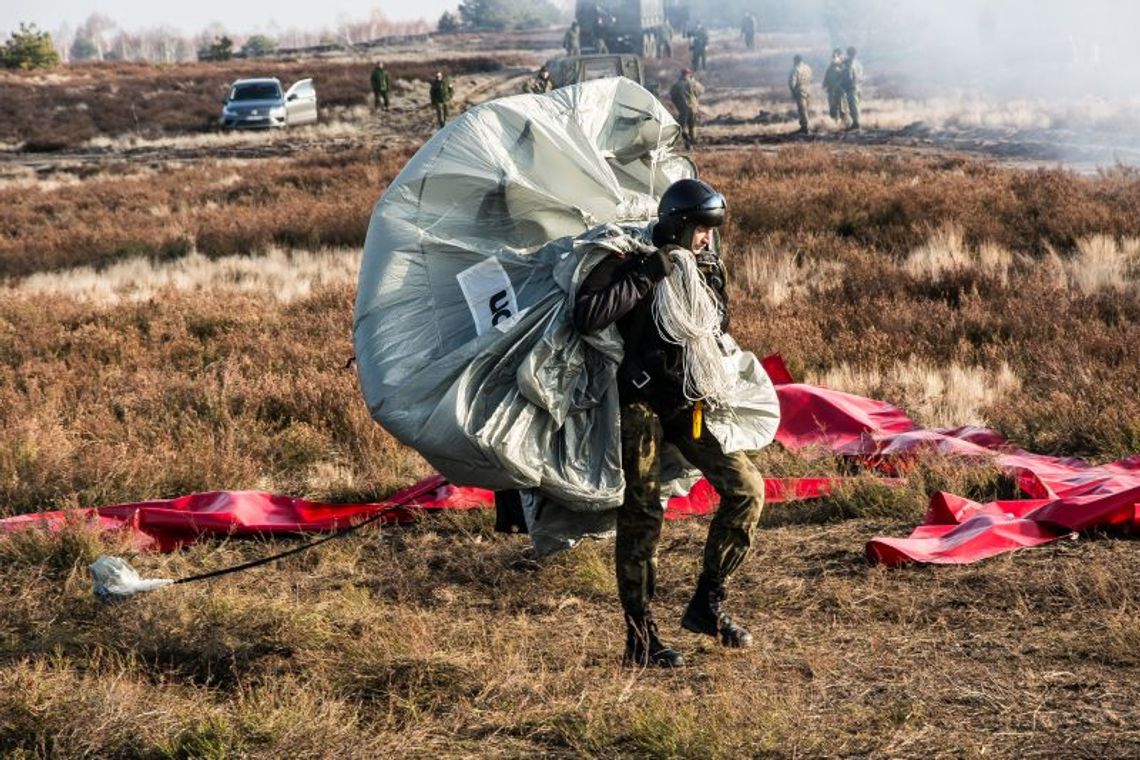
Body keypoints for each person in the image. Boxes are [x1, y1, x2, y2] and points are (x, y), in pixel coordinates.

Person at [573, 179, 766, 668]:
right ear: (679, 224)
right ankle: (640, 637)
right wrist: (648, 276)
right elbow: (588, 315)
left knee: (747, 489)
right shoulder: (629, 260)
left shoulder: (704, 267)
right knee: (642, 516)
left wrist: (698, 280)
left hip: (688, 405)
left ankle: (708, 604)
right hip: (638, 407)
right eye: (700, 229)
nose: (706, 238)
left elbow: (715, 327)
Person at [669, 69, 703, 149]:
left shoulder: (677, 85)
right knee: (692, 126)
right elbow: (701, 90)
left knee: (682, 127)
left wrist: (678, 104)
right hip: (693, 108)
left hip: (683, 109)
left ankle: (687, 140)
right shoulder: (693, 83)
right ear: (689, 74)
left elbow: (672, 95)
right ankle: (691, 141)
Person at [822, 48, 849, 125]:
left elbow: (846, 78)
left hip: (841, 92)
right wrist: (825, 84)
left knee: (843, 109)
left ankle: (845, 125)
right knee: (833, 110)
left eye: (836, 55)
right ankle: (835, 124)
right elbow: (826, 77)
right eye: (833, 56)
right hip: (832, 92)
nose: (834, 57)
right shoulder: (830, 67)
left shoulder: (844, 66)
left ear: (840, 56)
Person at [788, 54, 812, 134]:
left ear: (795, 61)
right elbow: (811, 79)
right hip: (808, 90)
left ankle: (805, 128)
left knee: (802, 110)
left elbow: (792, 83)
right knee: (807, 109)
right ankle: (806, 126)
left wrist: (793, 92)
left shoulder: (795, 70)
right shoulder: (808, 68)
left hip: (800, 91)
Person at [842, 46, 863, 130]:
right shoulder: (858, 64)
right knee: (856, 106)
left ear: (848, 53)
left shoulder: (849, 63)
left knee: (853, 106)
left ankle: (856, 124)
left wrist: (844, 83)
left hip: (851, 87)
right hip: (858, 87)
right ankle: (856, 122)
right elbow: (861, 77)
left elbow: (849, 76)